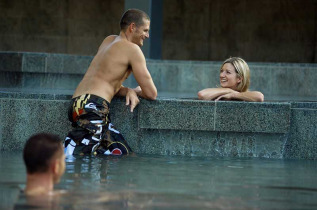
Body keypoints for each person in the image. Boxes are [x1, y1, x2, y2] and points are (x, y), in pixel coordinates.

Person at [64, 9, 157, 156]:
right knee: (80, 162)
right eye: (145, 30)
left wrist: (128, 90)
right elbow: (151, 93)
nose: (147, 35)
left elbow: (107, 82)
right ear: (132, 27)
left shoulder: (108, 40)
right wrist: (138, 90)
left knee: (120, 152)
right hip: (93, 108)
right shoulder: (133, 50)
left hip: (80, 104)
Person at [197, 57, 264, 102]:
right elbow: (202, 95)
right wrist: (227, 90)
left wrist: (233, 94)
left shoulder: (245, 95)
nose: (221, 75)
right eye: (221, 71)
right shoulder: (217, 92)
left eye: (228, 72)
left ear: (239, 79)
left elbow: (259, 97)